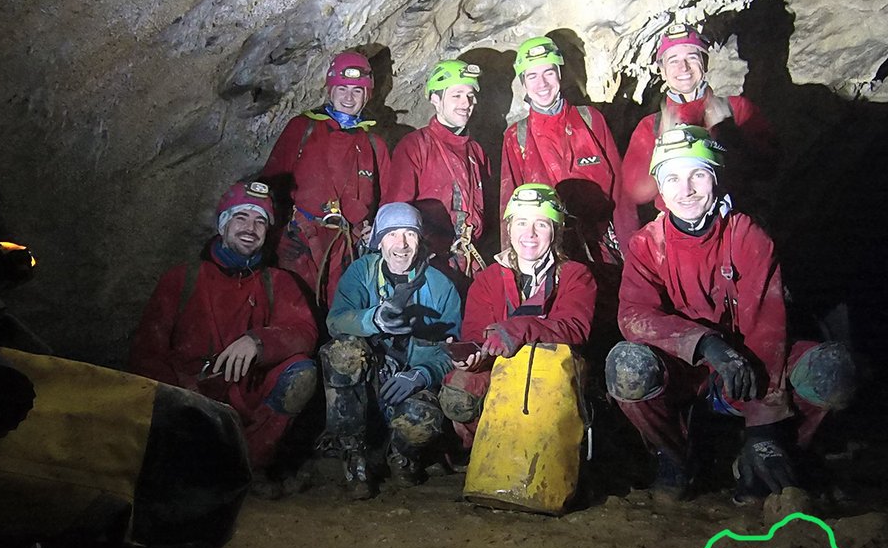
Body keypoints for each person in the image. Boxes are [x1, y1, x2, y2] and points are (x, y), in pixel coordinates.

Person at [605, 127, 856, 500]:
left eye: (698, 174)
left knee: (833, 369)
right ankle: (675, 460)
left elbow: (766, 327)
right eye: (672, 177)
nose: (685, 189)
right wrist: (704, 344)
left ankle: (776, 453)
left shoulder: (747, 236)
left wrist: (763, 428)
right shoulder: (646, 245)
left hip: (749, 365)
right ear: (659, 186)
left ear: (716, 179)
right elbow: (634, 316)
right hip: (684, 371)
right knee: (626, 365)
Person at [129, 181, 319, 488]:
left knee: (302, 373)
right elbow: (146, 351)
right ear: (223, 224)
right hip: (191, 393)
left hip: (247, 393)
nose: (251, 228)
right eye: (241, 217)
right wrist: (181, 396)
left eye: (260, 221)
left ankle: (248, 466)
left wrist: (258, 342)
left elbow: (305, 332)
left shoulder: (277, 282)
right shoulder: (182, 278)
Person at [439, 184, 597, 452]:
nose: (530, 234)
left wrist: (520, 328)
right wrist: (472, 359)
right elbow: (478, 336)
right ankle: (490, 451)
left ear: (556, 232)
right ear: (509, 229)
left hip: (553, 379)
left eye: (542, 224)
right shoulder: (488, 280)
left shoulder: (574, 275)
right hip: (501, 375)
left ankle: (560, 454)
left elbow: (575, 328)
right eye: (521, 222)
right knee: (459, 390)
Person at [321, 202, 462, 499]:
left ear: (420, 240)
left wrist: (422, 374)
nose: (401, 244)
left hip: (407, 386)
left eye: (409, 234)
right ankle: (354, 457)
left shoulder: (440, 287)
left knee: (423, 418)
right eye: (392, 234)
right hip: (367, 385)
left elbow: (454, 351)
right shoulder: (361, 273)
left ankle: (401, 456)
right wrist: (373, 318)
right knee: (342, 351)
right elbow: (336, 321)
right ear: (379, 241)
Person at [260, 50, 390, 308]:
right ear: (330, 90)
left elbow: (389, 198)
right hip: (299, 242)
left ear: (368, 94)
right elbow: (271, 183)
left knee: (342, 317)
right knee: (295, 309)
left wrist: (376, 230)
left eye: (357, 90)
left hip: (348, 248)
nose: (349, 97)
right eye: (342, 89)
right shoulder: (303, 128)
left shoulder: (374, 143)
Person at [620, 23, 776, 229]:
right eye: (673, 60)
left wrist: (730, 138)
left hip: (735, 223)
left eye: (691, 58)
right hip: (681, 229)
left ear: (705, 62)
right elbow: (637, 192)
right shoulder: (650, 126)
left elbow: (769, 166)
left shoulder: (736, 108)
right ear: (663, 71)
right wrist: (662, 147)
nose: (683, 68)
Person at [499, 35, 638, 260]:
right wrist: (513, 262)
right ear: (523, 83)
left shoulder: (591, 119)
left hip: (602, 246)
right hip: (549, 252)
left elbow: (621, 192)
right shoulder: (517, 136)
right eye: (532, 76)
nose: (542, 84)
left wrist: (633, 250)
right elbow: (509, 205)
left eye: (548, 73)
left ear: (560, 75)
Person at [381, 59, 490, 283]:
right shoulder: (415, 146)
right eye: (456, 95)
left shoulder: (476, 150)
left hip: (470, 262)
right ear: (435, 100)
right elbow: (396, 211)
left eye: (470, 96)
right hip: (429, 265)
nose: (465, 103)